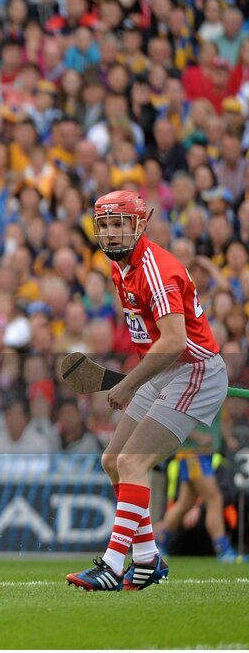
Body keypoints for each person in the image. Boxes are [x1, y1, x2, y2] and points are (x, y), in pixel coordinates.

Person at [66, 190, 227, 591]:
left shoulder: (155, 268)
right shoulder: (120, 268)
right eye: (104, 225)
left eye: (119, 223)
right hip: (163, 370)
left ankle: (112, 564)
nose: (111, 232)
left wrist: (129, 382)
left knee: (134, 462)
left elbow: (173, 342)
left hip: (194, 372)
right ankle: (147, 558)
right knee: (113, 460)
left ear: (139, 225)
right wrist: (139, 378)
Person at [156, 413, 243, 563]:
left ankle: (158, 544)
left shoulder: (216, 393)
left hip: (200, 454)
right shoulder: (195, 391)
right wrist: (199, 437)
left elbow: (222, 420)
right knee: (214, 498)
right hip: (195, 454)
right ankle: (223, 551)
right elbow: (179, 419)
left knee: (185, 504)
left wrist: (228, 439)